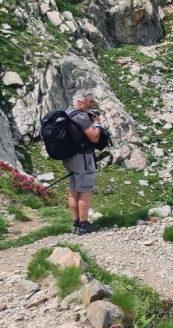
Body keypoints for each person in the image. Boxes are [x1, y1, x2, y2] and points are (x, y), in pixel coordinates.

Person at [65, 89, 104, 235]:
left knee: (74, 189)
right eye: (90, 101)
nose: (91, 104)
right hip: (82, 157)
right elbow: (94, 137)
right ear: (80, 101)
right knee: (85, 191)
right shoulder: (82, 117)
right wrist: (98, 124)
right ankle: (83, 224)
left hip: (69, 157)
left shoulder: (68, 112)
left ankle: (75, 223)